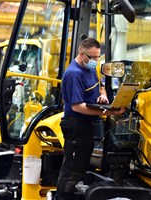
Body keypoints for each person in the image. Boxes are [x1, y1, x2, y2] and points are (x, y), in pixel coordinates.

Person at [56, 38, 126, 199]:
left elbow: (100, 86)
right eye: (93, 57)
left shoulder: (90, 69)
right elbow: (77, 106)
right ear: (82, 53)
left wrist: (103, 96)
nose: (96, 61)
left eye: (98, 57)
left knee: (82, 163)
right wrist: (109, 113)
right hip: (75, 124)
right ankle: (63, 196)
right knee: (73, 167)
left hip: (86, 124)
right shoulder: (74, 74)